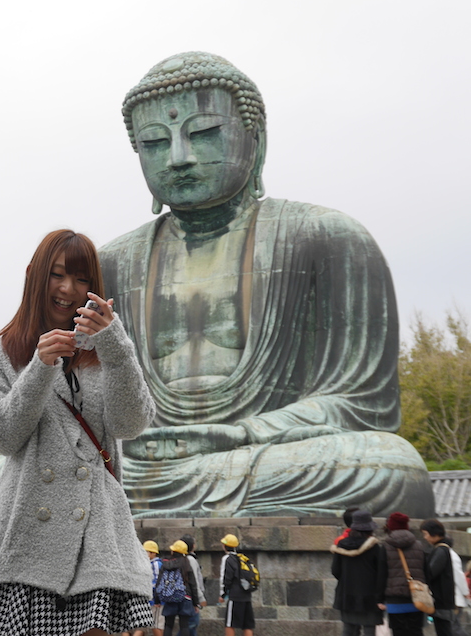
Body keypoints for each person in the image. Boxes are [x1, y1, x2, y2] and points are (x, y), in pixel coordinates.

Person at [99, 51, 433, 517]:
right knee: (27, 472)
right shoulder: (108, 264)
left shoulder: (328, 237)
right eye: (155, 143)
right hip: (140, 462)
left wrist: (244, 433)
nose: (179, 157)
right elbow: (88, 403)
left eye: (203, 133)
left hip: (270, 453)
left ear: (254, 141)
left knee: (391, 467)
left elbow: (363, 407)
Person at [0, 229, 157, 636]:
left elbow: (132, 424)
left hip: (95, 526)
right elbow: (1, 435)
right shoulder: (3, 349)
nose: (68, 289)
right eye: (57, 275)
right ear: (35, 277)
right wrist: (39, 367)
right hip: (24, 525)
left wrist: (115, 345)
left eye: (80, 278)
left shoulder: (108, 348)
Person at [377, 512, 432, 636]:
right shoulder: (419, 545)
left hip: (394, 598)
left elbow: (381, 574)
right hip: (416, 598)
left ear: (391, 526)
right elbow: (427, 571)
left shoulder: (385, 546)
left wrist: (379, 598)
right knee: (416, 633)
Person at [331, 509, 383, 636]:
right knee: (368, 632)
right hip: (369, 595)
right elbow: (381, 573)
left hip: (346, 594)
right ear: (369, 528)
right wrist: (380, 597)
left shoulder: (341, 545)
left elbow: (335, 571)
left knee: (347, 632)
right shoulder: (375, 547)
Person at [420, 519, 459, 636]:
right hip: (444, 599)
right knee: (446, 635)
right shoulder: (442, 549)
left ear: (435, 534)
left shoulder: (441, 551)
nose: (425, 538)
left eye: (426, 534)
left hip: (441, 600)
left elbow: (430, 572)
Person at [158, 540, 200, 636]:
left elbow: (160, 581)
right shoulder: (186, 563)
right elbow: (193, 584)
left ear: (173, 551)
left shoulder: (165, 563)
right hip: (185, 597)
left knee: (168, 625)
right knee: (185, 626)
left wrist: (157, 599)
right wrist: (195, 603)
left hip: (170, 597)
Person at [218, 534, 255, 636]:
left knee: (230, 623)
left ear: (225, 546)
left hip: (235, 595)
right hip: (246, 595)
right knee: (247, 624)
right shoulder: (242, 558)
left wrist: (223, 594)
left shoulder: (227, 559)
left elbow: (226, 578)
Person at [170, 534, 207, 636]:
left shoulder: (188, 559)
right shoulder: (190, 560)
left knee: (193, 621)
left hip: (189, 595)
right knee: (192, 621)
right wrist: (200, 597)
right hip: (191, 595)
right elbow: (194, 580)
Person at [140, 541, 166, 636]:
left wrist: (156, 599)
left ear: (152, 553)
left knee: (156, 624)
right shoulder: (154, 563)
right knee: (157, 623)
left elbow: (156, 583)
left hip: (156, 600)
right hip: (156, 599)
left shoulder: (155, 564)